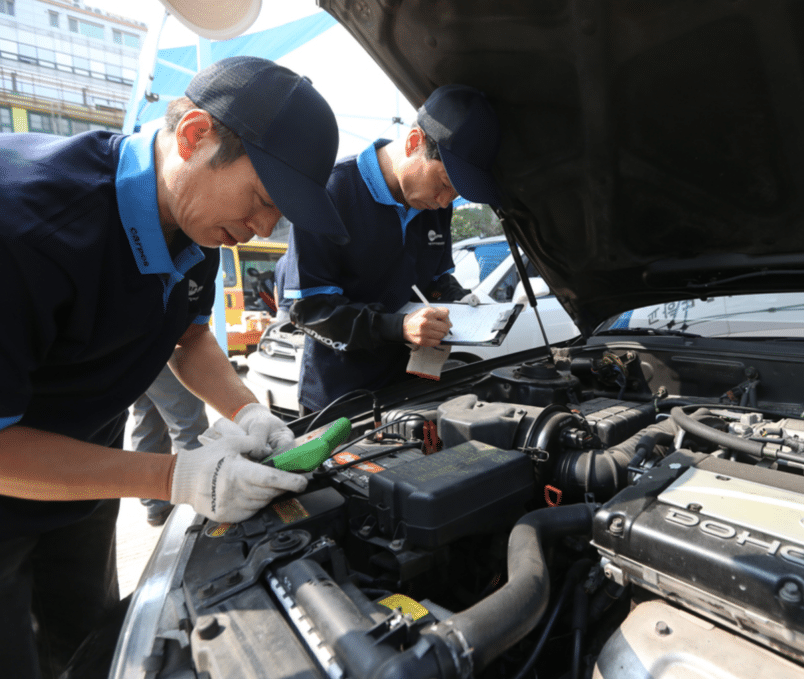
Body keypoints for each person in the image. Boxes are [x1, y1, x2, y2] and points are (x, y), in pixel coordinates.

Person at [0, 56, 346, 679]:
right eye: (263, 198)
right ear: (193, 136)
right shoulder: (27, 231)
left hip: (83, 471)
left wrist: (246, 409)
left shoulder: (198, 226)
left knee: (89, 642)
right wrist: (175, 478)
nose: (263, 227)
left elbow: (187, 339)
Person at [283, 84, 502, 413]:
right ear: (415, 142)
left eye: (456, 195)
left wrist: (466, 305)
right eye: (444, 184)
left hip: (414, 392)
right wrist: (398, 328)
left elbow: (436, 281)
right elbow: (310, 310)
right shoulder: (329, 194)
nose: (445, 202)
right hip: (340, 401)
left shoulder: (436, 206)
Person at [132, 365, 209, 526]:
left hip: (133, 351)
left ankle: (157, 503)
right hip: (159, 351)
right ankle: (201, 505)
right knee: (189, 426)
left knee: (149, 423)